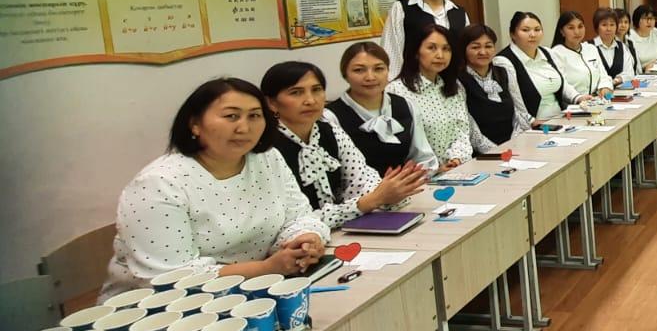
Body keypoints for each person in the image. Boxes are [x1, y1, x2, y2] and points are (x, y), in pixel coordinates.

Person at [102, 78, 330, 297]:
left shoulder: (267, 159)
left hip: (260, 289)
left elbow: (299, 216)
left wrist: (305, 241)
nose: (244, 127)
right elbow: (170, 278)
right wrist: (266, 268)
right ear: (194, 124)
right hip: (165, 308)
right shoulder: (158, 184)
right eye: (231, 116)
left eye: (254, 116)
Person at [261, 61, 426, 229]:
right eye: (296, 93)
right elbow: (292, 220)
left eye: (316, 90)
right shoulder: (265, 148)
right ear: (271, 103)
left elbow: (361, 179)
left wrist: (389, 191)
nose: (310, 100)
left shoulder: (329, 130)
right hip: (296, 238)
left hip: (337, 230)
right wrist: (369, 201)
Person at [326, 42, 440, 173]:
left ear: (388, 71)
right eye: (359, 70)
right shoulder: (330, 117)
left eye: (379, 69)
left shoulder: (406, 105)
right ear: (345, 75)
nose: (370, 77)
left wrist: (417, 176)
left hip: (408, 183)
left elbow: (423, 157)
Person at [387, 24, 472, 170]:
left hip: (456, 169)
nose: (440, 55)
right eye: (431, 48)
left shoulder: (454, 87)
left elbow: (462, 130)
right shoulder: (396, 91)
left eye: (446, 49)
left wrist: (456, 159)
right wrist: (434, 170)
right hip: (418, 175)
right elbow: (396, 145)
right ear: (416, 52)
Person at [380, 0, 468, 80]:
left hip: (453, 81)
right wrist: (394, 83)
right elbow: (391, 48)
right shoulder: (402, 8)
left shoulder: (459, 12)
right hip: (412, 80)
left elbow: (465, 50)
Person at [497, 12, 591, 120]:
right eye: (525, 30)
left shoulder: (547, 52)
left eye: (537, 30)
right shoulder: (504, 61)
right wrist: (531, 121)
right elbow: (513, 103)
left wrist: (578, 97)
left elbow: (563, 83)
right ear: (512, 34)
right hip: (531, 125)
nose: (533, 35)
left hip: (561, 119)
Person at [457, 24, 533, 150]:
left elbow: (519, 111)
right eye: (475, 47)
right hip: (483, 153)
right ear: (463, 49)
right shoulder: (458, 80)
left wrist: (515, 144)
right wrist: (497, 152)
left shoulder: (504, 71)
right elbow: (472, 131)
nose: (483, 52)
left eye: (488, 46)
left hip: (513, 146)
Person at [546, 11, 610, 97]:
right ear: (562, 31)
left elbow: (603, 75)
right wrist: (578, 98)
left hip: (596, 100)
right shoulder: (556, 53)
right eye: (571, 28)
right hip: (573, 102)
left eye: (580, 26)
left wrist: (605, 87)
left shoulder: (591, 48)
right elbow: (562, 84)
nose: (577, 32)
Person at [590, 8, 637, 88]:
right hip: (596, 92)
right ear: (597, 27)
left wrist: (616, 81)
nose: (609, 29)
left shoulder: (622, 47)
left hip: (619, 91)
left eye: (612, 25)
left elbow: (630, 73)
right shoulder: (589, 47)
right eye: (604, 25)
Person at [628, 5, 657, 70]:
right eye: (645, 18)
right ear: (637, 19)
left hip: (656, 70)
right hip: (639, 73)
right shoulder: (630, 36)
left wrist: (653, 65)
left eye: (652, 18)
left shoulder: (655, 32)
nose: (649, 22)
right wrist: (645, 68)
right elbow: (632, 63)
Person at [612, 7, 641, 74]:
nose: (623, 25)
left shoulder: (630, 43)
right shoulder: (611, 44)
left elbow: (637, 67)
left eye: (626, 22)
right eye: (620, 22)